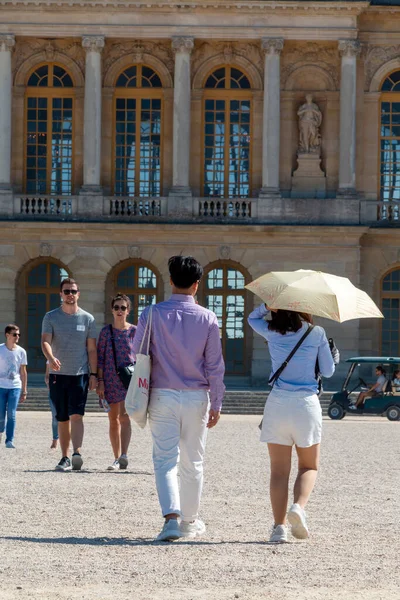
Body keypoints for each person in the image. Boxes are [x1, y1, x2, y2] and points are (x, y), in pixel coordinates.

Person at [132, 256, 225, 542]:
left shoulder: (151, 314)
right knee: (193, 461)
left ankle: (170, 518)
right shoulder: (208, 318)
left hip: (161, 393)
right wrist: (217, 402)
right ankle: (190, 521)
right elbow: (215, 365)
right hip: (197, 396)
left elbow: (138, 351)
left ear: (170, 281)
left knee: (164, 460)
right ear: (197, 285)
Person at [248, 305, 335, 543]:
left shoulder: (271, 331)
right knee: (308, 467)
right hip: (306, 404)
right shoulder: (316, 332)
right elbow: (327, 371)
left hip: (277, 403)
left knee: (278, 471)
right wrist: (331, 353)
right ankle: (298, 506)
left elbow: (251, 318)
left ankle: (278, 528)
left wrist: (266, 306)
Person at [41, 278, 97, 472]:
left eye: (73, 291)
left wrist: (94, 374)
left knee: (77, 415)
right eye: (66, 291)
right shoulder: (50, 317)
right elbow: (45, 341)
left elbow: (91, 349)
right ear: (61, 294)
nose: (70, 294)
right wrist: (51, 357)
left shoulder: (88, 319)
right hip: (58, 374)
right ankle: (64, 457)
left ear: (78, 293)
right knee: (62, 417)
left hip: (80, 373)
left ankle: (77, 453)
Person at [96, 294, 136, 470]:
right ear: (112, 310)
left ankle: (124, 455)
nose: (120, 311)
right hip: (110, 379)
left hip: (129, 379)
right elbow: (100, 358)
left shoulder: (135, 331)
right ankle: (116, 457)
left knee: (125, 417)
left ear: (128, 311)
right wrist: (100, 381)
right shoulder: (106, 332)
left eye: (123, 308)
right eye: (117, 307)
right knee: (113, 419)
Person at [0, 324, 27, 448]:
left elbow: (23, 372)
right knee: (1, 414)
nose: (17, 337)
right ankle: (1, 432)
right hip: (1, 386)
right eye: (15, 334)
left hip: (15, 386)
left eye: (18, 334)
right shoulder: (0, 349)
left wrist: (24, 390)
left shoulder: (21, 351)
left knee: (11, 413)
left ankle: (9, 440)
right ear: (7, 335)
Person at [45, 363, 58, 449]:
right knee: (55, 417)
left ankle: (67, 440)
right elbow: (47, 375)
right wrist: (48, 383)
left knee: (68, 417)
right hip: (53, 390)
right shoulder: (49, 359)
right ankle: (55, 440)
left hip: (67, 389)